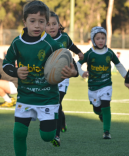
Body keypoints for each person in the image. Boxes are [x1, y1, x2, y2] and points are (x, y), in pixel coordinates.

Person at [2, 1, 78, 155]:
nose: (37, 25)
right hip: (25, 96)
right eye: (33, 21)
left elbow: (69, 59)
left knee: (47, 136)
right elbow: (6, 64)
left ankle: (51, 130)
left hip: (47, 97)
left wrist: (74, 72)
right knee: (19, 133)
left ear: (46, 22)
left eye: (41, 22)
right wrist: (16, 71)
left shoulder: (50, 43)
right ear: (25, 22)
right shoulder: (17, 43)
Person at [77, 26, 127, 139]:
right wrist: (81, 72)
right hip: (93, 87)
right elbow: (77, 64)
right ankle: (99, 114)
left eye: (103, 38)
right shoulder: (89, 53)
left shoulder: (109, 53)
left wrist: (126, 77)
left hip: (106, 85)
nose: (101, 40)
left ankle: (106, 132)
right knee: (97, 109)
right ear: (93, 39)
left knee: (106, 105)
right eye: (98, 38)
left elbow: (118, 65)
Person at [45, 11, 84, 147]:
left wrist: (78, 52)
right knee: (56, 105)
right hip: (49, 78)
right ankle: (62, 120)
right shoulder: (43, 40)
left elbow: (71, 46)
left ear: (59, 25)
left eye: (54, 24)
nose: (51, 27)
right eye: (48, 24)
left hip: (64, 77)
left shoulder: (64, 38)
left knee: (56, 103)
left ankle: (56, 136)